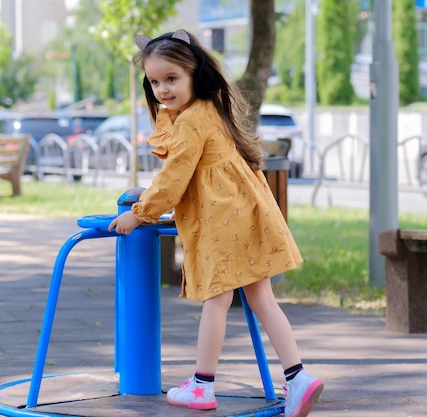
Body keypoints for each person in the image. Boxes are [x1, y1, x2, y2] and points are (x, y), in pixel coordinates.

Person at [107, 29, 324, 417]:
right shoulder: (212, 109)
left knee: (216, 301)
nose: (162, 90)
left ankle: (202, 386)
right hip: (248, 214)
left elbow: (174, 178)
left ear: (195, 74)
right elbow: (200, 176)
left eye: (171, 79)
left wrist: (140, 213)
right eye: (155, 82)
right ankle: (298, 378)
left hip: (224, 223)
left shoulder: (190, 121)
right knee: (263, 300)